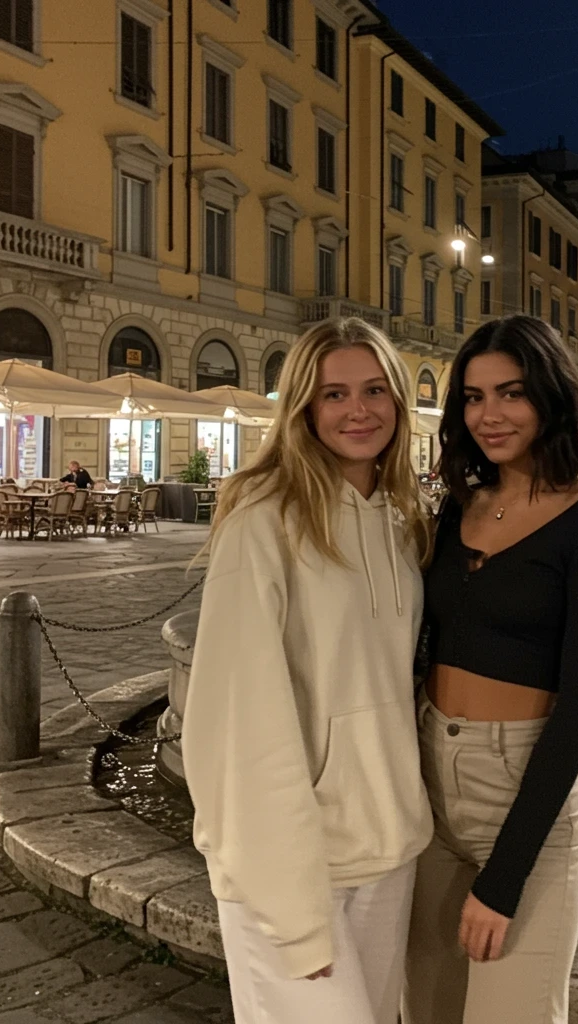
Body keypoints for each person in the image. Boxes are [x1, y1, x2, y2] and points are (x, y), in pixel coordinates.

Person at [181, 318, 434, 1024]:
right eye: (335, 394)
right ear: (302, 407)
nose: (360, 410)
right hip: (292, 867)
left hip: (387, 849)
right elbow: (238, 721)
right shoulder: (263, 520)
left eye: (375, 389)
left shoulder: (400, 519)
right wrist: (292, 908)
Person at [404, 315, 578, 1024]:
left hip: (522, 790)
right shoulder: (456, 510)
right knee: (426, 1011)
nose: (489, 414)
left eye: (510, 392)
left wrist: (504, 880)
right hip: (427, 786)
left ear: (550, 396)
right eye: (473, 398)